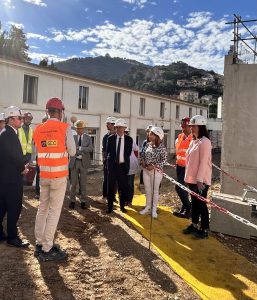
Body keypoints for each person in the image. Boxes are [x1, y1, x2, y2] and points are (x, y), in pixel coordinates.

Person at [33, 97, 76, 261]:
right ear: (60, 112)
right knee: (53, 211)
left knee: (42, 208)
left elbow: (39, 149)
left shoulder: (38, 129)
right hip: (58, 176)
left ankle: (39, 242)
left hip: (44, 175)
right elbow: (72, 152)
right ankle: (47, 247)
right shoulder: (64, 128)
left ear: (48, 111)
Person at [0, 106, 29, 248]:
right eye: (19, 118)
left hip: (5, 179)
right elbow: (14, 156)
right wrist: (23, 168)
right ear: (11, 119)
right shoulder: (9, 134)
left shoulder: (5, 132)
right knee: (14, 208)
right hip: (11, 179)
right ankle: (12, 237)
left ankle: (1, 234)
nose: (22, 120)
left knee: (2, 207)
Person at [182, 115, 212, 239]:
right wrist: (187, 178)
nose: (191, 128)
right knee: (194, 203)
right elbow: (189, 161)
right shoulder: (194, 141)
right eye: (191, 126)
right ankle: (194, 224)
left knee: (201, 204)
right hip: (192, 179)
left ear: (200, 126)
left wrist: (200, 180)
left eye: (193, 126)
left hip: (201, 180)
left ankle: (204, 228)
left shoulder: (205, 141)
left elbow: (204, 162)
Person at [106, 118, 133, 213]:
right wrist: (108, 164)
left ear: (125, 128)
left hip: (122, 167)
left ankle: (122, 207)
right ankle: (109, 207)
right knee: (111, 187)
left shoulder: (129, 140)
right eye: (117, 127)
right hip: (112, 167)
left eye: (121, 127)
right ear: (115, 127)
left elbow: (128, 153)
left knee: (122, 187)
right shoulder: (111, 138)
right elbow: (108, 151)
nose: (119, 129)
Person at [140, 127, 167, 218]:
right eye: (150, 134)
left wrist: (154, 166)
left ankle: (154, 209)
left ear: (157, 136)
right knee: (147, 190)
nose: (149, 135)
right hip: (146, 171)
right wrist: (143, 162)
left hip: (157, 172)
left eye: (151, 134)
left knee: (155, 191)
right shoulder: (147, 145)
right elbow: (143, 154)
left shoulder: (162, 147)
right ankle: (147, 207)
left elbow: (164, 160)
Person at [69, 120, 93, 209]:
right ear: (76, 129)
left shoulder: (88, 137)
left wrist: (80, 148)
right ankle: (72, 200)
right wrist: (82, 150)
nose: (79, 130)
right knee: (73, 183)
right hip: (74, 162)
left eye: (81, 128)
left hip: (83, 163)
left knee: (83, 183)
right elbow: (70, 149)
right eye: (78, 128)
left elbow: (90, 148)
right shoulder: (72, 137)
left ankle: (83, 201)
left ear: (83, 129)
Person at [173, 117, 192, 218]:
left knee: (179, 188)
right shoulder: (179, 137)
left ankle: (189, 208)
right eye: (182, 126)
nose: (183, 128)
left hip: (187, 167)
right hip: (179, 166)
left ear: (190, 127)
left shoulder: (193, 139)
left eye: (185, 127)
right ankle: (185, 207)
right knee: (182, 189)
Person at [102, 116, 116, 199]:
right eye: (107, 123)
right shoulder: (105, 137)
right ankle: (105, 195)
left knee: (114, 181)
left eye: (108, 123)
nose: (107, 125)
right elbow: (104, 149)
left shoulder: (118, 137)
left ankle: (112, 196)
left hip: (115, 162)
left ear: (113, 124)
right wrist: (104, 159)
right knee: (106, 179)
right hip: (107, 162)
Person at [125, 127, 139, 206]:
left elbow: (136, 149)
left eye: (126, 132)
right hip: (123, 165)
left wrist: (135, 159)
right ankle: (124, 200)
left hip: (131, 165)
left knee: (130, 183)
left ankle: (129, 201)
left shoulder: (130, 140)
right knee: (124, 184)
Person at [35, 115, 48, 199]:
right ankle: (38, 192)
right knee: (39, 175)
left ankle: (44, 193)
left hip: (48, 157)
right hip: (41, 157)